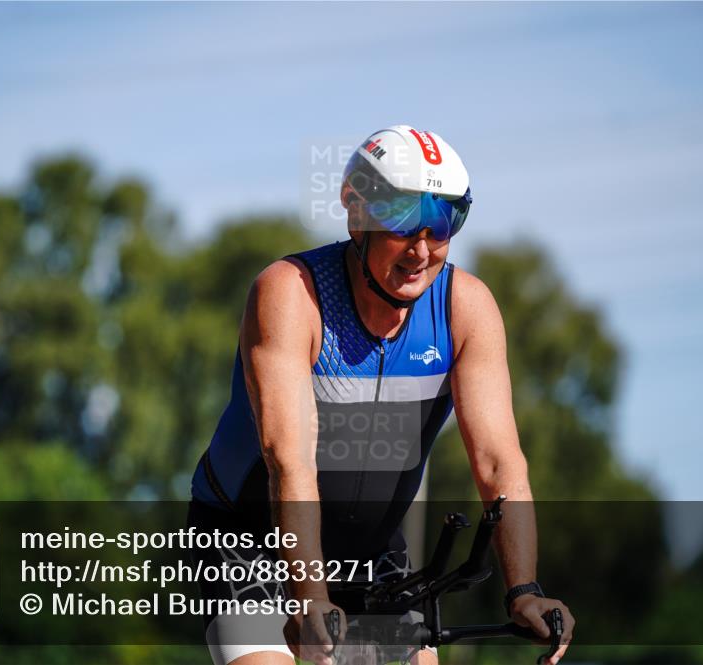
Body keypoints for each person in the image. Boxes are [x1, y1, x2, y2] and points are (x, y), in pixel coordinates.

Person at [188, 125, 575, 665]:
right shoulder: (291, 293)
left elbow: (498, 464)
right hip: (252, 539)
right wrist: (312, 598)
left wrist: (524, 590)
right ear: (357, 216)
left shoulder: (466, 309)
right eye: (402, 223)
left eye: (442, 224)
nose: (421, 249)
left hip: (371, 552)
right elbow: (289, 462)